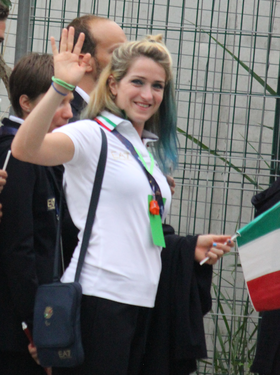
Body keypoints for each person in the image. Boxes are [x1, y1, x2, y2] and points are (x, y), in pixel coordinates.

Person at [12, 27, 233, 375]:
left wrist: (186, 246)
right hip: (99, 300)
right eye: (138, 82)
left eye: (157, 86)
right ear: (113, 85)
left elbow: (150, 232)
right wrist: (60, 88)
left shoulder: (145, 152)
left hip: (143, 301)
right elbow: (24, 148)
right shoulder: (92, 134)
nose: (148, 94)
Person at [0, 52, 73, 375]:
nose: (69, 114)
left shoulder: (44, 153)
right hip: (17, 334)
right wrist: (36, 326)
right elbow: (19, 248)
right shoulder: (17, 154)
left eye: (70, 101)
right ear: (27, 103)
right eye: (57, 102)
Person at [66, 14, 126, 122]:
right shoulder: (67, 119)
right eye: (117, 52)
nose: (128, 59)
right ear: (84, 62)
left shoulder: (117, 112)